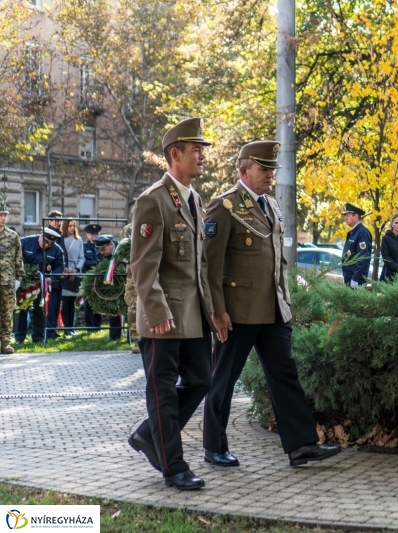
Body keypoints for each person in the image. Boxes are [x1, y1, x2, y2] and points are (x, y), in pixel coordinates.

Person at [203, 140, 341, 469]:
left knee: (285, 375)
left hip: (273, 309)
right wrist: (216, 311)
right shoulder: (224, 207)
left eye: (272, 170)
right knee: (223, 378)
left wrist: (285, 301)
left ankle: (301, 445)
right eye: (264, 169)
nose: (270, 175)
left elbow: (277, 262)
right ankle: (214, 446)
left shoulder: (271, 205)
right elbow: (209, 265)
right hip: (237, 312)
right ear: (243, 170)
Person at [127, 117, 216, 491]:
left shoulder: (195, 199)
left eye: (202, 149)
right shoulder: (153, 200)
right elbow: (143, 264)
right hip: (163, 315)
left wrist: (214, 312)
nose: (201, 156)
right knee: (162, 389)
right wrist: (157, 311)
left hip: (193, 314)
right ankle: (174, 466)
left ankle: (150, 435)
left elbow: (199, 265)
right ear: (174, 154)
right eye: (195, 150)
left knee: (202, 380)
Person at [15, 228, 63, 344]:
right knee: (22, 308)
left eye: (50, 243)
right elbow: (15, 258)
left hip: (43, 283)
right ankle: (19, 338)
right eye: (46, 242)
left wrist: (51, 278)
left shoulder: (56, 250)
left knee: (40, 309)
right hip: (25, 281)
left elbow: (59, 267)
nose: (47, 245)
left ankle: (38, 337)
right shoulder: (25, 242)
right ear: (40, 235)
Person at [0, 200, 23, 354]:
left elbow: (18, 257)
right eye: (0, 215)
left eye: (4, 215)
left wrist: (19, 277)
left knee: (7, 312)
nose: (2, 218)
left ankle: (5, 343)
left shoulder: (12, 236)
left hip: (7, 281)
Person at [93, 234, 123, 341]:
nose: (101, 252)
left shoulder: (121, 251)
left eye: (103, 249)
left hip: (122, 283)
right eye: (100, 250)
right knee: (112, 307)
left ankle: (129, 334)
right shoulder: (100, 255)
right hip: (109, 285)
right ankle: (114, 335)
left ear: (110, 245)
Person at [60, 219, 85, 337]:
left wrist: (76, 270)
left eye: (73, 225)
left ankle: (72, 327)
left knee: (72, 302)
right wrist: (67, 270)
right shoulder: (61, 239)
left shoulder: (79, 240)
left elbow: (82, 257)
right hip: (65, 272)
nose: (72, 228)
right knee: (66, 302)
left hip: (76, 272)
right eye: (70, 225)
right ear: (65, 226)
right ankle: (66, 328)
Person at [119, 223, 140, 353]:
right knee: (134, 305)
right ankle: (138, 340)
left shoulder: (160, 223)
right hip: (134, 274)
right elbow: (122, 252)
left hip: (156, 271)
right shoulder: (129, 229)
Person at [342, 203, 372, 287]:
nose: (345, 218)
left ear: (355, 216)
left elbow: (362, 258)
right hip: (349, 276)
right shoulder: (354, 232)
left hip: (356, 278)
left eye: (348, 215)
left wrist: (355, 278)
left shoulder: (362, 233)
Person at [44, 210, 64, 339]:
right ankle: (49, 331)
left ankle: (53, 330)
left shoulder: (60, 234)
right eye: (56, 220)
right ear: (50, 221)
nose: (59, 223)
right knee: (49, 305)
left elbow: (62, 253)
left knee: (56, 304)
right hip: (49, 276)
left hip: (58, 274)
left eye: (60, 220)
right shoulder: (48, 234)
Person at [82, 223, 102, 330]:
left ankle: (97, 325)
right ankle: (89, 326)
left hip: (100, 278)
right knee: (89, 302)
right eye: (91, 233)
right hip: (88, 278)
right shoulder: (84, 247)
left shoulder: (102, 246)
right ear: (87, 235)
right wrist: (95, 264)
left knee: (98, 301)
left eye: (96, 233)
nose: (94, 235)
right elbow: (84, 263)